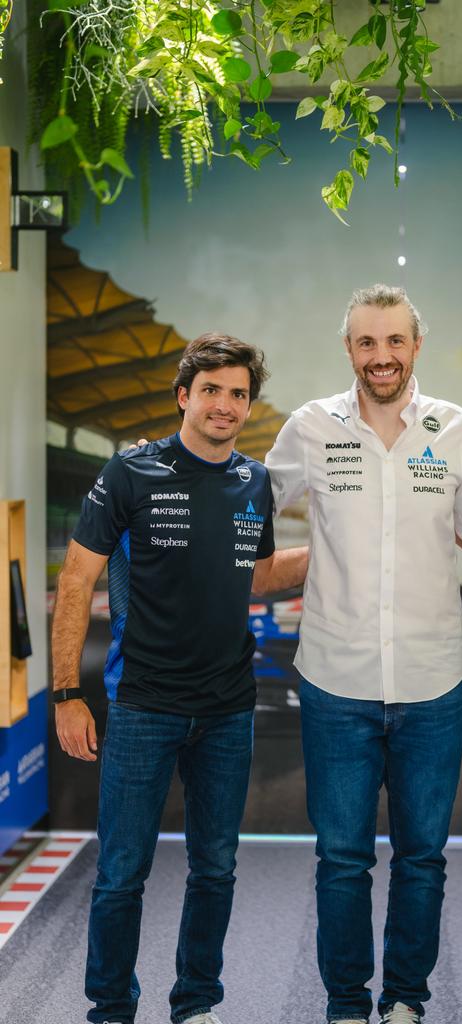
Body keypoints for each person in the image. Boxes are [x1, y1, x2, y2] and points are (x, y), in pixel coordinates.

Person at [265, 284, 462, 1024]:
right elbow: (245, 510)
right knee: (341, 859)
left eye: (395, 341)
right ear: (349, 349)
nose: (382, 356)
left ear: (416, 347)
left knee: (422, 859)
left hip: (434, 684)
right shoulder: (311, 427)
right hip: (335, 685)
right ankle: (346, 1004)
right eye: (367, 342)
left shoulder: (453, 427)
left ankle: (406, 999)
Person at [51, 333, 307, 1024]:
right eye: (212, 390)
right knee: (121, 876)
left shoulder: (254, 482)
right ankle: (110, 1009)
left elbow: (253, 577)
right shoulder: (130, 474)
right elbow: (77, 580)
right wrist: (67, 694)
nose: (225, 405)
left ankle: (195, 1004)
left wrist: (340, 549)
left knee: (215, 871)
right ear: (183, 396)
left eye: (238, 394)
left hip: (227, 709)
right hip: (142, 706)